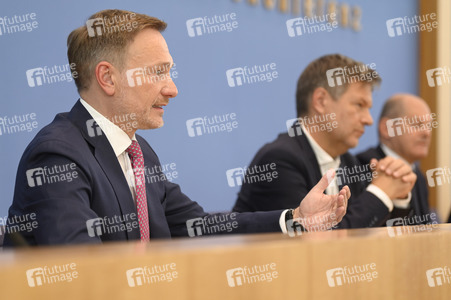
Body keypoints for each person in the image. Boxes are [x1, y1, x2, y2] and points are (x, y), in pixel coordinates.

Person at [3, 10, 349, 246]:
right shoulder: (56, 153)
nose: (172, 88)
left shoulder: (140, 154)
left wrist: (295, 219)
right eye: (158, 72)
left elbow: (197, 225)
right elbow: (80, 267)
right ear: (107, 78)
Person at [233, 54, 417, 229]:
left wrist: (396, 196)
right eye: (359, 105)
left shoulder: (349, 163)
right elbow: (319, 243)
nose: (369, 120)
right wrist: (380, 193)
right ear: (320, 101)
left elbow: (377, 239)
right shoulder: (278, 160)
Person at [357, 94, 432, 224]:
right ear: (387, 128)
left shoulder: (419, 177)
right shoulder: (362, 167)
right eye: (417, 124)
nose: (426, 133)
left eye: (429, 126)